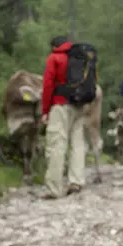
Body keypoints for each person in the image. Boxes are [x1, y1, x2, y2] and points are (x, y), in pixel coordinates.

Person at [39, 35, 87, 199]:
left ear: (54, 46)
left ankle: (54, 188)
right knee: (77, 144)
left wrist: (45, 111)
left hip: (60, 105)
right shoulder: (81, 57)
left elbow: (48, 84)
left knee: (57, 144)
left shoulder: (54, 58)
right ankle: (76, 182)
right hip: (79, 105)